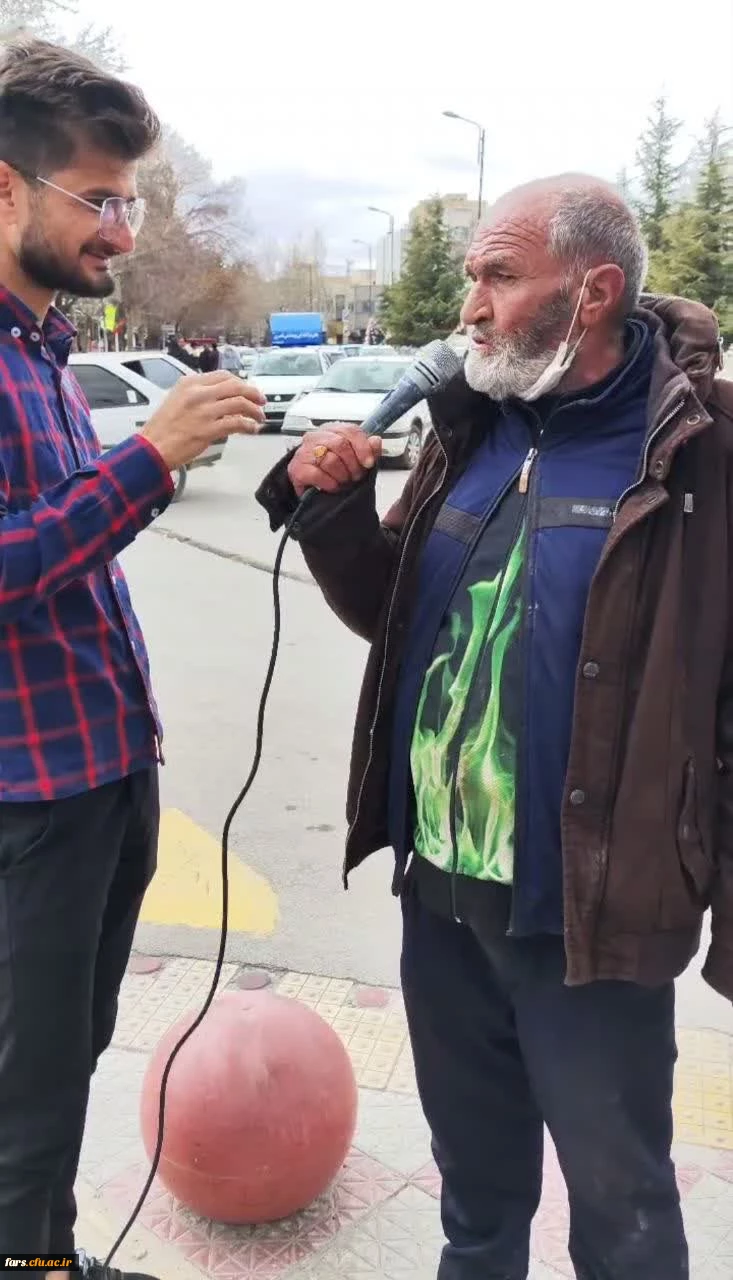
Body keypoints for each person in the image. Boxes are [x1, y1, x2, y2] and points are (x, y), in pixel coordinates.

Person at [256, 173, 733, 1280]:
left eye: (499, 277)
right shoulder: (472, 428)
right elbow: (398, 615)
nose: (468, 306)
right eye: (471, 276)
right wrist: (333, 511)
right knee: (474, 1197)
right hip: (440, 897)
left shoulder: (703, 452)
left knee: (621, 1209)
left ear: (593, 292)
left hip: (591, 920)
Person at [0, 37, 265, 1279]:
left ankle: (44, 1251)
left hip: (103, 776)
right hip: (28, 802)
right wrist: (149, 458)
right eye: (98, 199)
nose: (121, 230)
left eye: (131, 202)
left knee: (63, 1059)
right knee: (23, 1094)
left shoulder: (42, 350)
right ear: (6, 186)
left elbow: (61, 548)